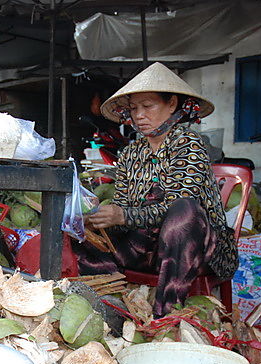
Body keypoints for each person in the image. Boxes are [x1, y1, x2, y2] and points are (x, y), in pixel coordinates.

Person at [73, 62, 237, 318]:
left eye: (148, 106)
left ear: (171, 104)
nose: (139, 115)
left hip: (195, 248)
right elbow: (123, 209)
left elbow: (180, 204)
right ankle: (109, 310)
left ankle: (165, 316)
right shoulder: (130, 153)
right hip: (145, 247)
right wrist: (100, 219)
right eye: (134, 108)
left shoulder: (187, 143)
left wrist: (124, 215)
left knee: (184, 212)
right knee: (80, 237)